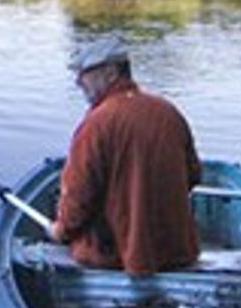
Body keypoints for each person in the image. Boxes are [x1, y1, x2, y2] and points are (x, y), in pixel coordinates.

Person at [48, 34, 203, 273]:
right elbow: (193, 175)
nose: (79, 82)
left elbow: (78, 200)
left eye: (86, 73)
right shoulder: (168, 112)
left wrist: (60, 230)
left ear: (111, 72)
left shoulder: (96, 123)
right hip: (177, 253)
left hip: (113, 258)